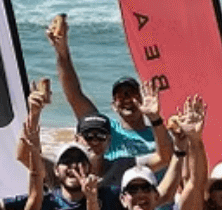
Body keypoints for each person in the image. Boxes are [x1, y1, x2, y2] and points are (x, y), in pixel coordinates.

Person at [48, 13, 161, 165]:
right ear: (113, 106)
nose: (127, 99)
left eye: (132, 93)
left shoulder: (159, 134)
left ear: (143, 100)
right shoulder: (104, 130)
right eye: (120, 96)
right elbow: (74, 94)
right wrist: (62, 52)